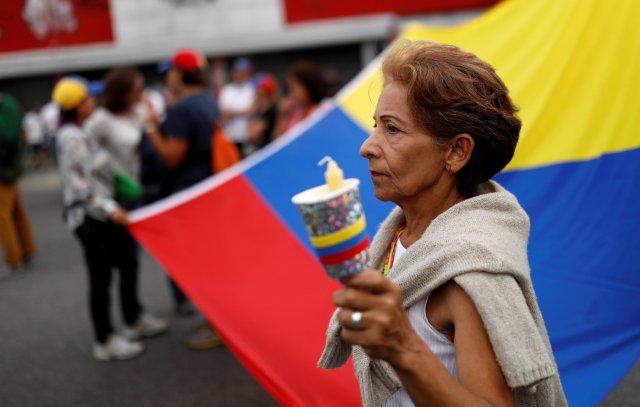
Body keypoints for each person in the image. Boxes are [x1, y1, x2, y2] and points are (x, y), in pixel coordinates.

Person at [319, 40, 567, 407]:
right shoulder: (398, 238)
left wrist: (402, 346)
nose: (367, 146)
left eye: (392, 129)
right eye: (376, 125)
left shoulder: (470, 270)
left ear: (456, 152)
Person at [52, 77, 164, 362]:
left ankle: (133, 318)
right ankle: (104, 340)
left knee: (127, 262)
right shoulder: (72, 138)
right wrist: (109, 207)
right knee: (100, 277)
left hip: (105, 212)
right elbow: (79, 185)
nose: (93, 103)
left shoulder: (80, 131)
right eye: (87, 99)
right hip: (91, 218)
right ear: (77, 107)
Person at [144, 49, 223, 349]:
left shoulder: (181, 109)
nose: (168, 77)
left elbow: (172, 157)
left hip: (189, 195)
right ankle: (218, 322)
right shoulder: (207, 100)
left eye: (171, 71)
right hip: (209, 191)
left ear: (179, 74)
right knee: (212, 262)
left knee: (201, 265)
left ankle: (219, 325)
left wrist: (151, 128)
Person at [84, 68, 169, 332]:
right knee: (115, 263)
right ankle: (119, 324)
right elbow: (85, 158)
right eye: (137, 87)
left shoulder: (139, 111)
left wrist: (153, 121)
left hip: (140, 191)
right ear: (122, 91)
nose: (142, 92)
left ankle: (133, 316)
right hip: (114, 197)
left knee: (131, 261)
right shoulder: (100, 120)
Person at [0, 92, 36, 278]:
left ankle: (14, 260)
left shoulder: (5, 108)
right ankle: (28, 250)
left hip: (3, 168)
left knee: (3, 216)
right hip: (11, 166)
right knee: (16, 211)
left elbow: (5, 135)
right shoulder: (11, 104)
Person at [273, 61, 327, 138]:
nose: (292, 90)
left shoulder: (322, 111)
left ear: (309, 85)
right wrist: (281, 116)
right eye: (290, 85)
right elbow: (278, 144)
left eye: (296, 84)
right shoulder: (292, 113)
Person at [218, 57, 255, 156]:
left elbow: (252, 111)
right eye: (237, 71)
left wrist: (233, 112)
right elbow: (223, 112)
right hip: (229, 137)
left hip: (247, 138)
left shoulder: (251, 89)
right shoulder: (226, 90)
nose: (239, 74)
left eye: (241, 71)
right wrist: (243, 112)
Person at [246, 74, 278, 150]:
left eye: (257, 89)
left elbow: (252, 134)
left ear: (263, 92)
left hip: (268, 149)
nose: (254, 92)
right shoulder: (259, 109)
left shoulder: (272, 110)